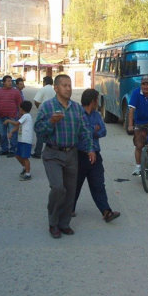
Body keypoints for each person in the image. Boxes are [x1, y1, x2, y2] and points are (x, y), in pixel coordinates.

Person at [34, 74, 95, 239]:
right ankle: (53, 223)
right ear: (56, 88)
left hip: (71, 154)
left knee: (70, 191)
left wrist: (90, 149)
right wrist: (51, 122)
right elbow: (38, 131)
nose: (68, 88)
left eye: (70, 85)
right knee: (58, 188)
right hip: (53, 153)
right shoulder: (47, 107)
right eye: (64, 85)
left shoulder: (76, 108)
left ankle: (64, 223)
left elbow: (85, 131)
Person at [73, 89, 121, 222]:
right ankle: (70, 209)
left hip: (95, 155)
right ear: (93, 101)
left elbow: (103, 131)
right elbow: (77, 134)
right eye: (97, 100)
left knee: (98, 184)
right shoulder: (77, 114)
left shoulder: (96, 115)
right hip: (79, 155)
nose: (98, 103)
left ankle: (106, 212)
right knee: (75, 185)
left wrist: (91, 132)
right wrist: (92, 131)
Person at [0, 75, 22, 157]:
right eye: (8, 81)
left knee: (13, 134)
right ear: (3, 82)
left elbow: (20, 104)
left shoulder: (16, 92)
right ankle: (4, 149)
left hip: (13, 117)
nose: (10, 82)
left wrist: (20, 114)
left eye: (11, 81)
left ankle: (13, 150)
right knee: (2, 134)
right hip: (0, 117)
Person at [4, 100, 34, 181]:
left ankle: (28, 174)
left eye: (19, 108)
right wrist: (11, 132)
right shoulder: (24, 117)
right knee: (18, 155)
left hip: (26, 140)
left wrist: (8, 120)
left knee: (25, 157)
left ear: (22, 109)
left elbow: (17, 123)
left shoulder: (26, 116)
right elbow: (18, 126)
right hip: (21, 139)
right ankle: (25, 168)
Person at [32, 76, 55, 158]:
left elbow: (36, 101)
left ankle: (38, 152)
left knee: (40, 132)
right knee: (52, 132)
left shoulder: (43, 89)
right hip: (54, 113)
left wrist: (39, 108)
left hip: (44, 113)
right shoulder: (54, 90)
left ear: (44, 82)